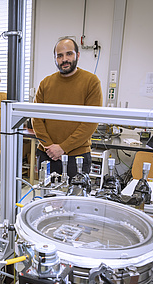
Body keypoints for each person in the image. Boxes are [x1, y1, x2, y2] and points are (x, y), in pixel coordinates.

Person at [32, 37, 102, 178]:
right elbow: (36, 119)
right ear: (55, 58)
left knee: (75, 198)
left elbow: (90, 122)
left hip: (77, 157)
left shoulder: (91, 82)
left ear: (77, 55)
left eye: (69, 54)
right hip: (48, 154)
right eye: (60, 55)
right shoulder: (46, 83)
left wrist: (63, 148)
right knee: (47, 198)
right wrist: (50, 146)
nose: (65, 59)